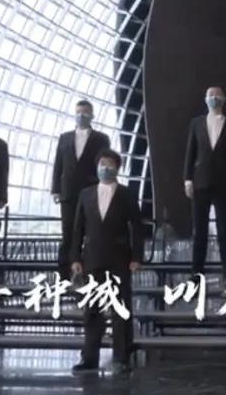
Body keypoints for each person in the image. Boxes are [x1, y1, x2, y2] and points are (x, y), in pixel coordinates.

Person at [71, 149, 143, 374]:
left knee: (120, 307)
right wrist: (75, 257)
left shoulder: (127, 194)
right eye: (102, 163)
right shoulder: (85, 194)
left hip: (119, 258)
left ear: (117, 168)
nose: (105, 167)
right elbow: (77, 228)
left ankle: (121, 357)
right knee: (92, 309)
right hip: (92, 258)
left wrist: (136, 257)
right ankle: (89, 357)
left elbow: (137, 227)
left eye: (110, 164)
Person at [183, 86, 226, 283]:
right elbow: (190, 152)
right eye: (210, 95)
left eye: (217, 95)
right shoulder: (196, 123)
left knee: (224, 231)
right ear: (205, 99)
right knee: (199, 231)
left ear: (224, 99)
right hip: (200, 182)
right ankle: (196, 274)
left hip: (224, 184)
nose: (214, 98)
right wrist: (188, 179)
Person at [51, 100, 111, 278]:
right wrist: (56, 189)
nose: (81, 116)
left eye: (85, 113)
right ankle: (64, 274)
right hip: (68, 192)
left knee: (91, 231)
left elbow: (105, 163)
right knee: (68, 232)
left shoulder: (101, 139)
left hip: (92, 191)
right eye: (78, 112)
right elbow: (58, 164)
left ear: (92, 115)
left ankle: (90, 273)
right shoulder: (64, 138)